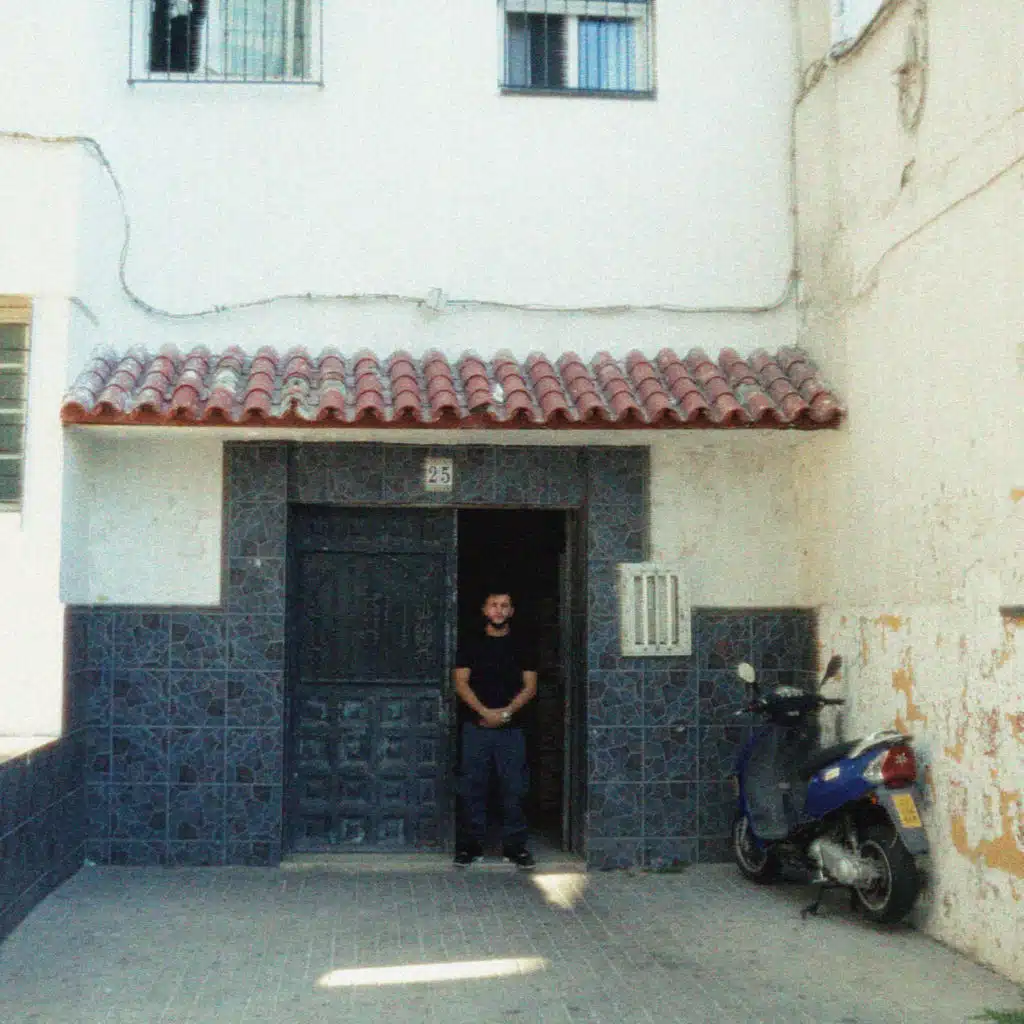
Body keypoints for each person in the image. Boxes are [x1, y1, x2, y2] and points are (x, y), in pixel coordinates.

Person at [453, 591, 537, 869]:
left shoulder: (523, 645)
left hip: (512, 730)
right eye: (493, 605)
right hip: (475, 728)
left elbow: (530, 686)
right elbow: (460, 682)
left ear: (511, 611)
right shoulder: (471, 644)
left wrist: (506, 713)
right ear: (484, 610)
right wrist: (484, 712)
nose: (499, 610)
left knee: (514, 788)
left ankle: (515, 848)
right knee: (472, 787)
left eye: (504, 606)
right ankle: (470, 847)